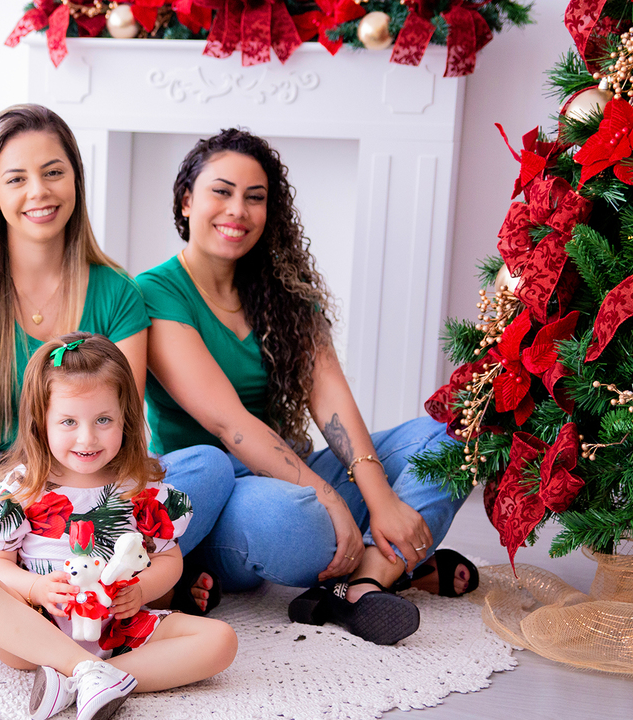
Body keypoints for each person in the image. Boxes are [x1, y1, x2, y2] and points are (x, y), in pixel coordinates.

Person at [138, 129, 476, 646]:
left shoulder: (284, 292)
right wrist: (328, 496)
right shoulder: (155, 292)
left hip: (293, 467)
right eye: (221, 192)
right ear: (187, 200)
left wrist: (379, 496)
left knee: (457, 436)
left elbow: (330, 397)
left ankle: (363, 585)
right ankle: (400, 565)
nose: (238, 210)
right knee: (299, 527)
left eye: (255, 198)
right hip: (221, 491)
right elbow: (231, 424)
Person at [0, 104, 233, 619]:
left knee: (208, 467)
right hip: (4, 493)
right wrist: (37, 510)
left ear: (76, 182)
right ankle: (55, 588)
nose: (38, 191)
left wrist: (100, 507)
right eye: (16, 178)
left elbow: (127, 428)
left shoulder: (117, 292)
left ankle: (116, 583)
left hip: (104, 485)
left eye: (53, 172)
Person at [0, 333, 237, 720]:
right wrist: (36, 589)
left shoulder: (141, 487)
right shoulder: (23, 488)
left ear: (125, 421)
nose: (87, 438)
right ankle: (85, 671)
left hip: (120, 629)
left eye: (103, 420)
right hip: (38, 634)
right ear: (39, 422)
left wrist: (143, 588)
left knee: (221, 642)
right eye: (68, 422)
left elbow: (170, 559)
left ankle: (88, 678)